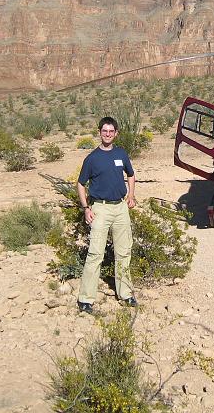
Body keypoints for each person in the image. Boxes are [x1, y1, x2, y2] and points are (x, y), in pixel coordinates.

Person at [76, 116, 137, 313]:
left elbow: (131, 174)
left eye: (111, 131)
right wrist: (86, 208)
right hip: (99, 209)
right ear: (100, 132)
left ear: (116, 133)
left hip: (120, 208)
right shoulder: (92, 158)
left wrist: (131, 196)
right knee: (95, 254)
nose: (108, 134)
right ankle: (86, 299)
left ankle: (126, 294)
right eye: (105, 131)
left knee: (124, 252)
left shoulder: (121, 153)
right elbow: (80, 184)